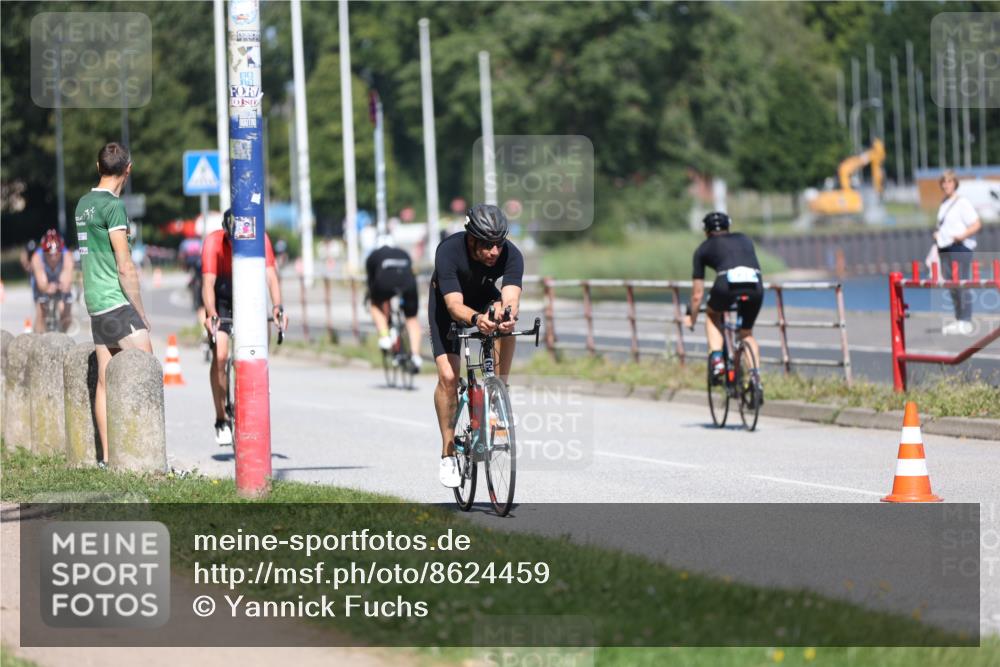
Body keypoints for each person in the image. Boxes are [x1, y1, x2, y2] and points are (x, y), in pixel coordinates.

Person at [430, 204, 523, 488]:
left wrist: (507, 316)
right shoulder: (449, 251)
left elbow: (510, 297)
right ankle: (448, 453)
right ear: (471, 238)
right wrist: (476, 319)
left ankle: (498, 393)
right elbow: (454, 305)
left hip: (483, 297)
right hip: (449, 306)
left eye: (499, 243)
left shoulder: (511, 254)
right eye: (487, 244)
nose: (495, 251)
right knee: (448, 377)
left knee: (506, 322)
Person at [74, 142, 152, 468]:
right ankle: (147, 458)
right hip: (116, 301)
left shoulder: (84, 203)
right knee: (146, 371)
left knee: (105, 381)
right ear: (128, 170)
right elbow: (125, 265)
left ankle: (108, 459)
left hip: (94, 301)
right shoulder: (113, 207)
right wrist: (141, 312)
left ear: (98, 167)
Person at [202, 208, 289, 445]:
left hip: (249, 296)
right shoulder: (213, 242)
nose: (235, 245)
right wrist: (211, 314)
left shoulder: (260, 238)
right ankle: (221, 418)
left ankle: (257, 380)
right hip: (222, 299)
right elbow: (208, 283)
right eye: (231, 240)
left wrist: (278, 306)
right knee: (220, 355)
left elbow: (271, 276)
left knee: (260, 340)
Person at [684, 211, 763, 399]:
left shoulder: (702, 249)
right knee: (746, 333)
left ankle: (718, 360)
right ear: (728, 226)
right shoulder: (744, 238)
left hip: (725, 286)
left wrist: (691, 318)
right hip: (755, 285)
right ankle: (755, 380)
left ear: (706, 231)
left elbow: (697, 295)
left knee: (712, 315)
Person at [935, 170, 982, 335]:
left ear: (955, 184)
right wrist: (938, 234)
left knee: (961, 282)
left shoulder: (962, 202)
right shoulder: (943, 203)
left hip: (959, 246)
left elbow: (976, 224)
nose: (946, 185)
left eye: (949, 181)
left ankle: (966, 320)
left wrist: (962, 236)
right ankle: (959, 318)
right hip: (945, 246)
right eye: (944, 182)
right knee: (951, 284)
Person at [365, 234, 422, 371]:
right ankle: (415, 356)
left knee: (374, 304)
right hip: (408, 283)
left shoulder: (373, 255)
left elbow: (371, 282)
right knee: (411, 318)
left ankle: (384, 336)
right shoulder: (403, 252)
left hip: (384, 281)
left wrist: (371, 296)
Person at [30, 229, 75, 332]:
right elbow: (41, 284)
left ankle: (62, 334)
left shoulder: (67, 256)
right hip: (42, 281)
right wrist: (46, 288)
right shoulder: (36, 257)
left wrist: (62, 286)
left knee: (66, 313)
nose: (53, 258)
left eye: (56, 254)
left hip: (59, 281)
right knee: (42, 311)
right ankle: (39, 336)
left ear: (61, 251)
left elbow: (66, 281)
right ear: (44, 252)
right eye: (49, 254)